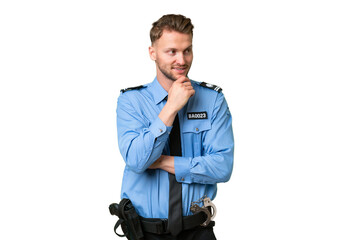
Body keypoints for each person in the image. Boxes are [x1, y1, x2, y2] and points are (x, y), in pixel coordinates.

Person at [116, 14, 234, 240]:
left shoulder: (213, 100)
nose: (182, 60)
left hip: (198, 231)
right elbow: (136, 159)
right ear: (153, 53)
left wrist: (161, 161)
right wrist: (170, 108)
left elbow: (222, 167)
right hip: (145, 232)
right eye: (172, 52)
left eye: (187, 50)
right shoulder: (131, 101)